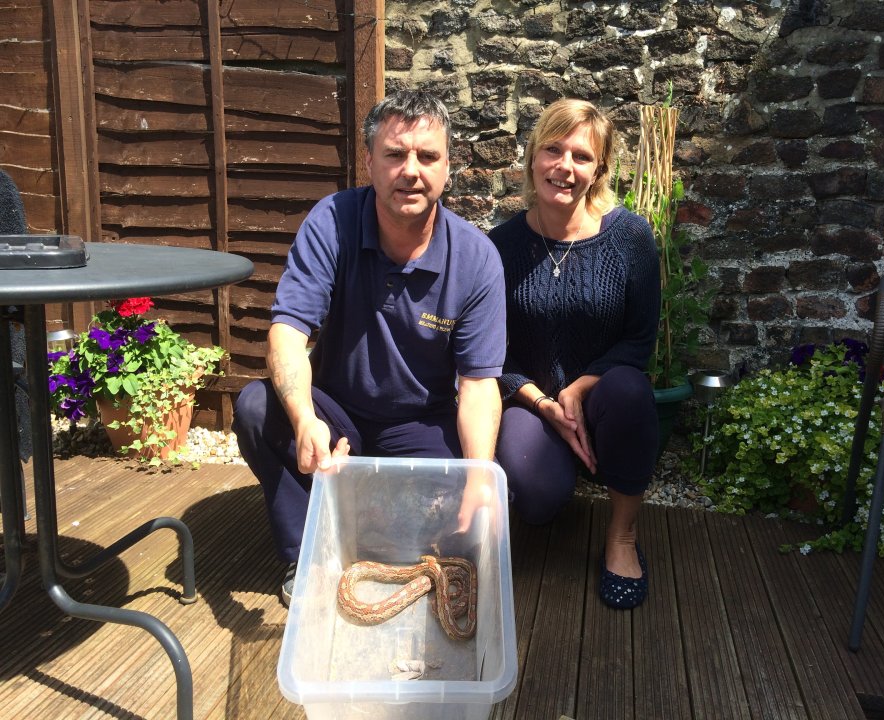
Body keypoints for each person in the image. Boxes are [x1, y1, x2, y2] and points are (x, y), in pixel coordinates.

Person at [232, 89, 506, 606]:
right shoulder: (331, 221)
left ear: (448, 166)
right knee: (254, 408)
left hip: (421, 422)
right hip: (336, 409)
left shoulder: (477, 259)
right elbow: (288, 332)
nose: (411, 171)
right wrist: (302, 419)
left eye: (427, 156)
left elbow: (478, 384)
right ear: (369, 162)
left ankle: (364, 525)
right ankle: (304, 553)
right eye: (395, 154)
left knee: (471, 504)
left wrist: (477, 476)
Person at [489, 98, 660, 609]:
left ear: (599, 170)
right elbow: (490, 353)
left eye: (581, 157)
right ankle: (562, 469)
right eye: (552, 150)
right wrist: (545, 403)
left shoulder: (630, 237)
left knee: (631, 391)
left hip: (604, 396)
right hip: (533, 405)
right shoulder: (500, 246)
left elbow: (640, 338)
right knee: (538, 503)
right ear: (532, 159)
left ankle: (622, 537)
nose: (564, 166)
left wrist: (581, 387)